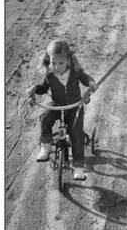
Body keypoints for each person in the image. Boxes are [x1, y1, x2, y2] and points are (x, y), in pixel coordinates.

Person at [26, 40, 98, 181]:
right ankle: (46, 146)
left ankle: (78, 166)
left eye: (61, 63)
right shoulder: (49, 76)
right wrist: (34, 89)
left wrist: (91, 82)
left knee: (76, 134)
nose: (57, 67)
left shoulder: (75, 72)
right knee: (45, 116)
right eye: (53, 63)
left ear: (69, 61)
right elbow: (42, 88)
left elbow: (85, 78)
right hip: (57, 105)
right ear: (49, 60)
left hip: (74, 106)